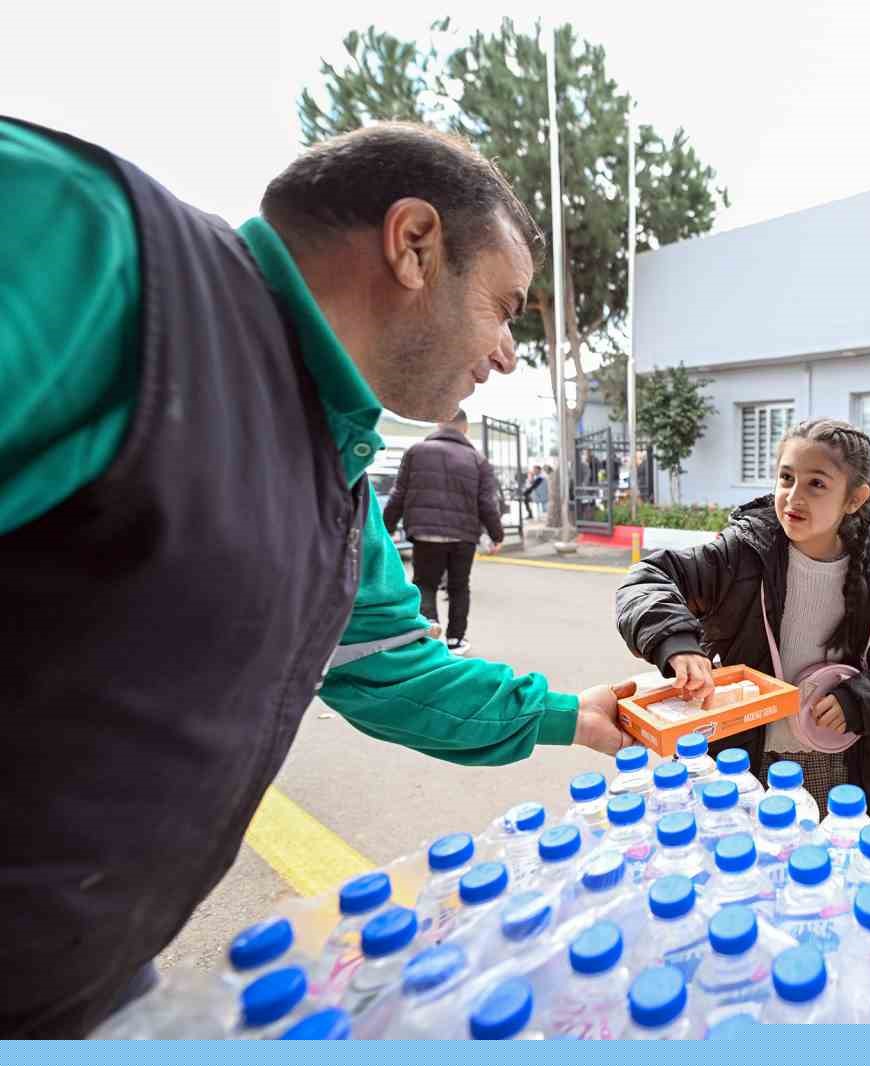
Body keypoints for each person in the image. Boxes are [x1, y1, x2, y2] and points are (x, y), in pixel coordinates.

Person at [0, 118, 627, 1036]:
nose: (504, 353)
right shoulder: (87, 240)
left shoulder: (336, 475)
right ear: (414, 245)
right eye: (504, 305)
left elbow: (393, 670)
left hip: (75, 988)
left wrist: (574, 715)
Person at [615, 419, 870, 814]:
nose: (793, 496)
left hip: (837, 764)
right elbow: (647, 578)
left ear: (855, 498)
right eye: (786, 478)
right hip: (737, 759)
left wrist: (862, 700)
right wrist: (677, 642)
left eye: (816, 483)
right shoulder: (740, 554)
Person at [384, 409, 504, 655]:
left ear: (439, 423)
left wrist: (386, 528)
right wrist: (497, 535)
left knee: (425, 583)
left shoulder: (415, 452)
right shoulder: (477, 459)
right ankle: (455, 640)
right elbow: (487, 504)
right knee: (459, 587)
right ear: (465, 428)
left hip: (424, 533)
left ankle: (429, 631)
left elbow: (398, 495)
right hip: (464, 536)